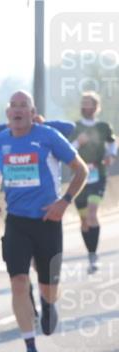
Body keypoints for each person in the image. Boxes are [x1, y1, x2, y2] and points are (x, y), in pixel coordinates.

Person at [0, 91, 88, 352]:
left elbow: (81, 170)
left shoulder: (48, 137)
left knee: (48, 286)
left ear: (32, 112)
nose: (18, 110)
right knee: (18, 281)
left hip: (47, 219)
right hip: (16, 221)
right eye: (13, 106)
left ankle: (48, 304)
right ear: (7, 113)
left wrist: (64, 202)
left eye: (23, 106)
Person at [69, 91, 116, 274]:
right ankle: (90, 252)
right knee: (84, 221)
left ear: (96, 107)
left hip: (98, 174)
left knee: (92, 213)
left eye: (88, 103)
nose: (85, 106)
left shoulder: (103, 127)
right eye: (83, 103)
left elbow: (112, 143)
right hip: (79, 176)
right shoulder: (75, 127)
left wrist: (111, 155)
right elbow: (67, 150)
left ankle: (93, 256)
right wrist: (78, 143)